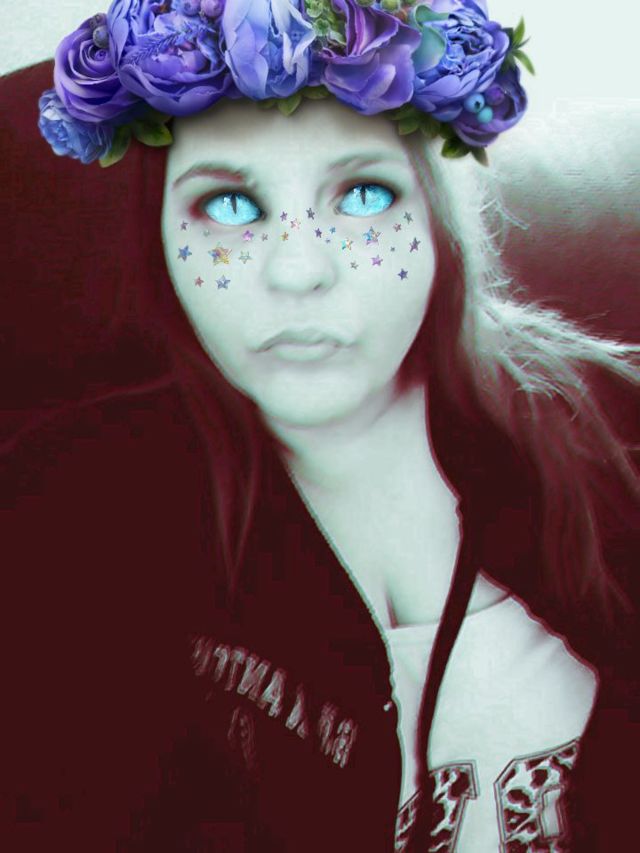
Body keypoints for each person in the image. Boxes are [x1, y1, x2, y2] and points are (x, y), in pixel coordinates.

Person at [3, 2, 638, 851]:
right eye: (230, 205)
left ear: (437, 215)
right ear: (158, 237)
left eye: (363, 195)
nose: (299, 270)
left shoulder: (617, 428)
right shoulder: (67, 513)